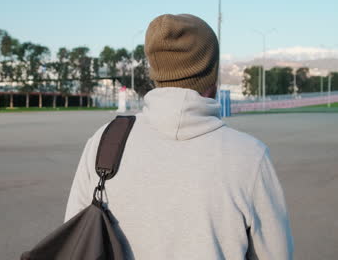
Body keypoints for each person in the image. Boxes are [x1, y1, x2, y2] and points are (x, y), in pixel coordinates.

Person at [65, 14, 294, 259]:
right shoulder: (250, 156)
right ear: (212, 75)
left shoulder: (104, 143)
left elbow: (77, 239)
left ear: (156, 72)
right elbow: (276, 253)